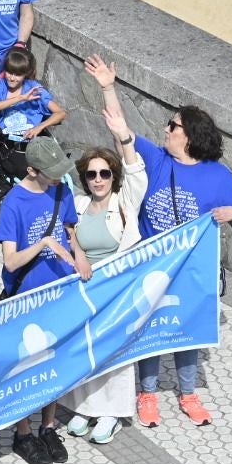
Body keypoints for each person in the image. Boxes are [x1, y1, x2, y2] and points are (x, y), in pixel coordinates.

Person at [94, 58, 232, 427]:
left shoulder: (219, 176)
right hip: (153, 264)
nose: (166, 129)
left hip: (191, 269)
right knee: (151, 327)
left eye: (173, 125)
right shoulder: (157, 158)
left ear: (190, 136)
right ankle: (146, 393)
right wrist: (107, 87)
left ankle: (188, 392)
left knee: (186, 328)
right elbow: (123, 133)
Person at [61, 63, 146, 444]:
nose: (98, 179)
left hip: (118, 290)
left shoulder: (124, 201)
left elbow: (134, 165)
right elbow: (65, 236)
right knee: (85, 349)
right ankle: (86, 407)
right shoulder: (77, 205)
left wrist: (109, 92)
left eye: (104, 174)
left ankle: (112, 412)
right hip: (85, 289)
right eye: (92, 174)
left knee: (116, 353)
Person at [0, 135, 91, 464]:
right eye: (51, 172)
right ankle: (23, 433)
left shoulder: (61, 190)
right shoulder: (13, 204)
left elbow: (70, 231)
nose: (58, 177)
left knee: (54, 361)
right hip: (25, 299)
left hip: (58, 294)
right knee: (24, 366)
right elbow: (10, 263)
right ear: (32, 170)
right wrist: (44, 243)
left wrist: (80, 256)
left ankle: (48, 426)